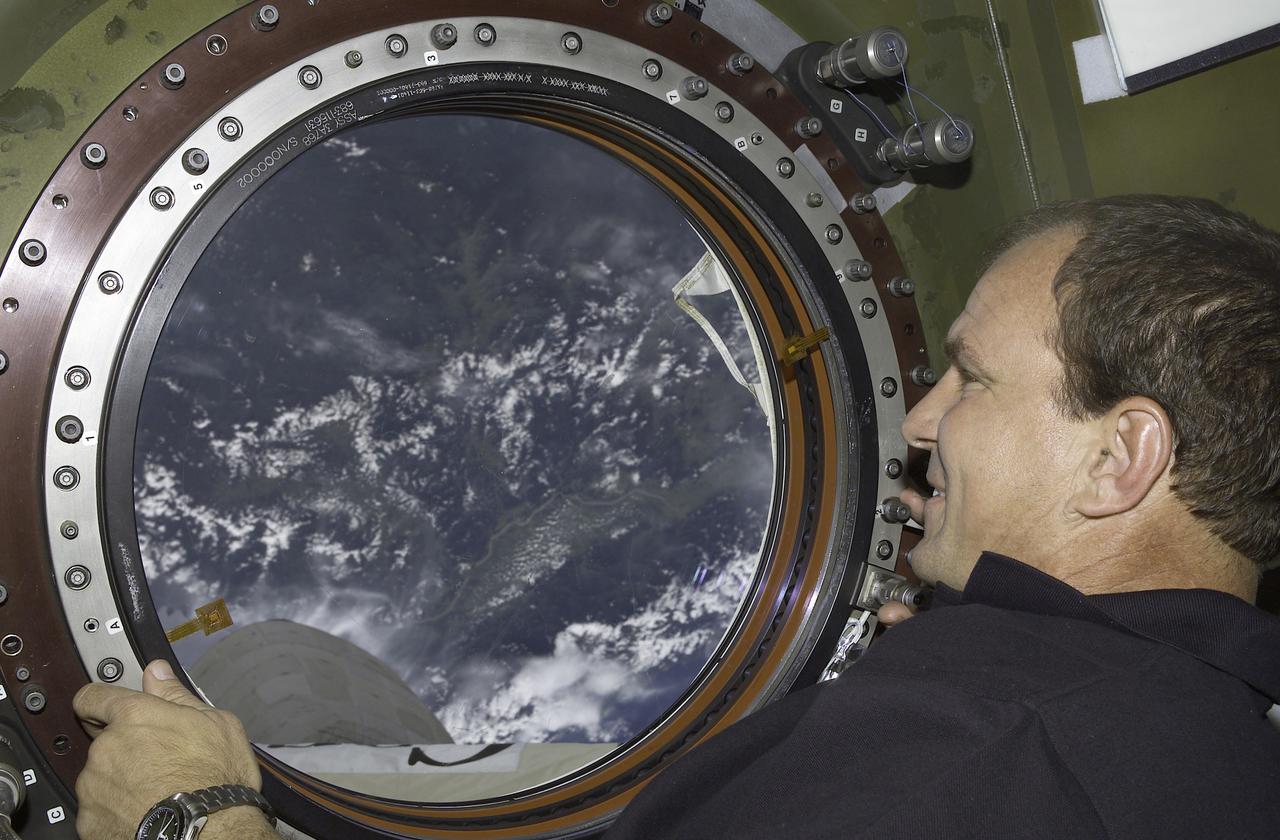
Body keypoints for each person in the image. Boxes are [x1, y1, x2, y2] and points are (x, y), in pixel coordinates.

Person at [73, 194, 1280, 839]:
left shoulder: (976, 763)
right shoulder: (1197, 734)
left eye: (970, 377)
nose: (918, 418)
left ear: (1121, 456)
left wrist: (193, 825)